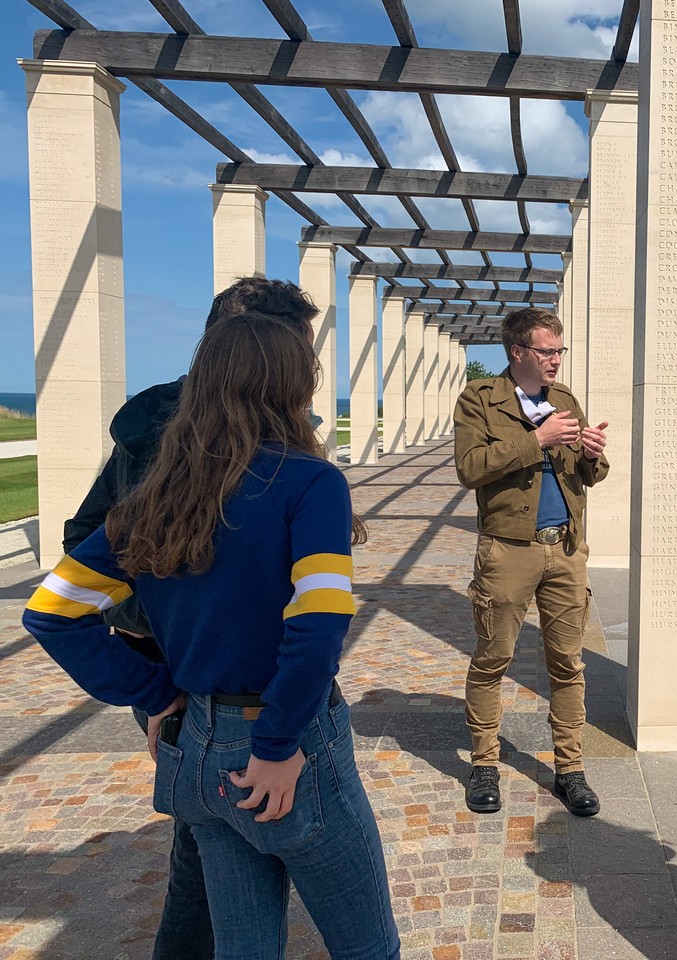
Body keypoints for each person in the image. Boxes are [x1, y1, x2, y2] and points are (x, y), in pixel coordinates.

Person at [25, 312, 401, 959]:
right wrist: (278, 745)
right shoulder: (310, 484)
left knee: (242, 949)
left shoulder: (157, 497)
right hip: (289, 743)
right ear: (292, 385)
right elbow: (316, 629)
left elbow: (52, 611)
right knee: (368, 948)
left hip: (197, 743)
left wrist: (156, 694)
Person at [58, 277, 319, 960]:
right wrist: (157, 669)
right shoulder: (163, 437)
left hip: (228, 677)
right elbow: (84, 552)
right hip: (191, 676)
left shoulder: (268, 434)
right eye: (300, 351)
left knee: (217, 842)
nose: (310, 371)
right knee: (207, 854)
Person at [454, 307, 610, 817]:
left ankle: (571, 769)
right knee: (492, 659)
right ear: (517, 351)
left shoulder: (564, 401)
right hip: (507, 550)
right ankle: (483, 765)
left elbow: (592, 475)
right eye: (547, 351)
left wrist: (591, 452)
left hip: (565, 550)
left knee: (568, 663)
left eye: (559, 351)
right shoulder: (480, 399)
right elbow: (469, 468)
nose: (556, 361)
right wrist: (535, 440)